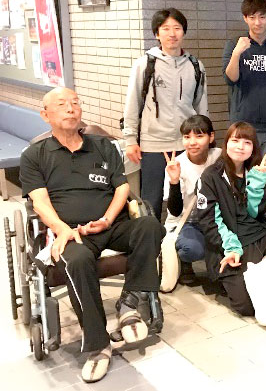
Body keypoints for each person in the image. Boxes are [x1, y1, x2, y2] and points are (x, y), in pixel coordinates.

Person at [21, 88, 165, 383]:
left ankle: (129, 304)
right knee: (77, 260)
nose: (71, 108)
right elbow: (39, 201)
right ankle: (98, 345)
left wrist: (107, 219)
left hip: (110, 224)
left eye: (75, 103)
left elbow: (122, 188)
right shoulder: (34, 155)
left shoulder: (103, 146)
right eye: (62, 104)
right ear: (45, 115)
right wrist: (62, 229)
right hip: (71, 232)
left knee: (150, 226)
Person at [196, 122, 266, 316]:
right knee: (246, 306)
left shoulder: (256, 170)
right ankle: (231, 282)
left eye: (247, 142)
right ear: (226, 144)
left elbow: (256, 212)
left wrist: (257, 183)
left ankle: (263, 275)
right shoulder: (211, 176)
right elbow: (209, 222)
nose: (240, 147)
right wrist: (231, 248)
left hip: (260, 233)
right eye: (235, 141)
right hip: (232, 243)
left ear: (253, 148)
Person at [123, 8, 208, 219]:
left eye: (177, 28)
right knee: (151, 199)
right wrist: (130, 139)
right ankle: (151, 237)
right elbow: (132, 103)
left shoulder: (195, 66)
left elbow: (201, 106)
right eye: (166, 29)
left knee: (187, 195)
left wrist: (204, 139)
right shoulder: (145, 64)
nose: (172, 34)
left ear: (183, 32)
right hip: (153, 143)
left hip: (186, 143)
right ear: (157, 33)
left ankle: (182, 236)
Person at [222, 0, 266, 154]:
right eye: (252, 17)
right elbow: (230, 78)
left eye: (262, 17)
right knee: (244, 166)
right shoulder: (234, 45)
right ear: (245, 18)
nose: (257, 22)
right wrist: (237, 54)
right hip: (242, 122)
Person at [163, 115, 221, 284]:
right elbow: (175, 211)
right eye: (187, 137)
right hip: (186, 221)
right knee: (193, 249)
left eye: (199, 136)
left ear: (211, 137)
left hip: (214, 218)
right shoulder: (176, 164)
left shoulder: (219, 156)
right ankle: (185, 262)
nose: (192, 142)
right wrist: (174, 181)